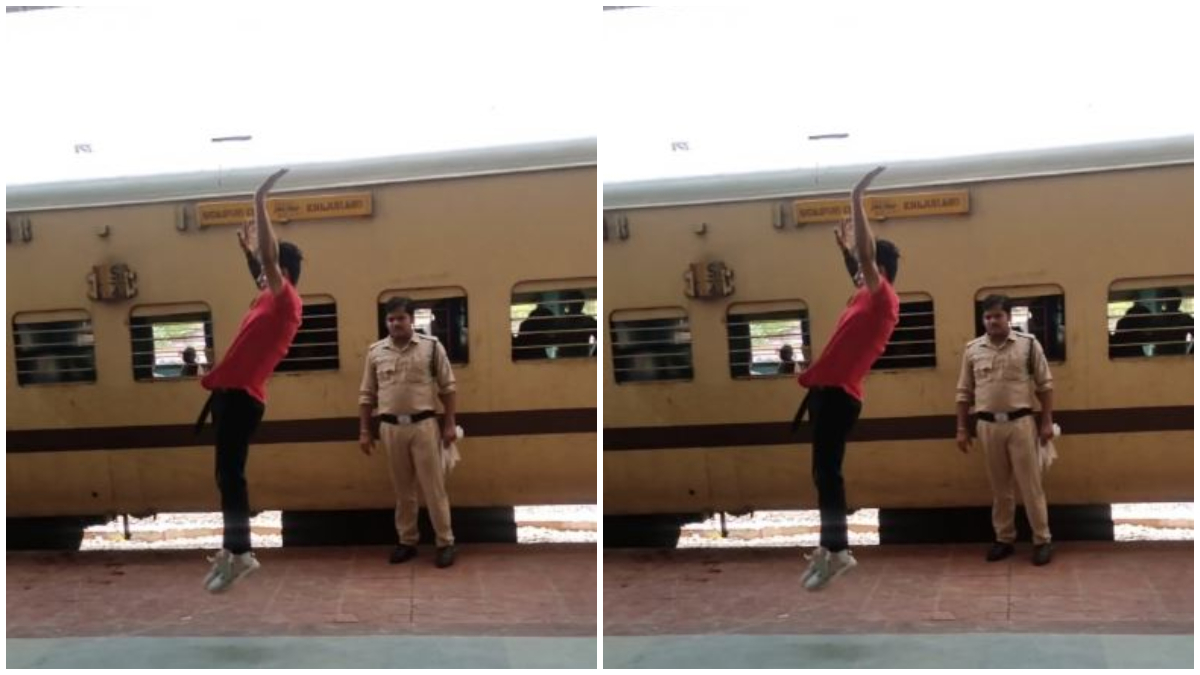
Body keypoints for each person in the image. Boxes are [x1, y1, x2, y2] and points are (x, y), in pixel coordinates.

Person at [198, 169, 304, 593]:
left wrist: (259, 199)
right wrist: (247, 253)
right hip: (229, 395)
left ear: (281, 270)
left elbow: (269, 259)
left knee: (232, 476)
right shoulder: (265, 297)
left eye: (265, 266)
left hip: (243, 398)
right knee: (225, 477)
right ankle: (233, 549)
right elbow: (259, 268)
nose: (259, 272)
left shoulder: (286, 300)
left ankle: (241, 553)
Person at [795, 166, 900, 591]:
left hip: (840, 396)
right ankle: (829, 546)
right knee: (822, 474)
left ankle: (838, 551)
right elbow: (857, 268)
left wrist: (857, 197)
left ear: (879, 268)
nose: (857, 269)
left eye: (862, 264)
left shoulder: (883, 298)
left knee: (829, 474)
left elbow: (867, 259)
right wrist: (844, 251)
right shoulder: (862, 295)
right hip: (826, 393)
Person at [955, 294, 1056, 566]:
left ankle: (1042, 540)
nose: (992, 321)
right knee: (1000, 489)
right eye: (987, 317)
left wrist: (1046, 421)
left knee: (1030, 486)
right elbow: (964, 392)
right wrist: (962, 428)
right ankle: (1004, 539)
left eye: (998, 316)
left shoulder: (1028, 345)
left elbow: (1045, 386)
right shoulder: (972, 350)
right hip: (987, 426)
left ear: (1008, 317)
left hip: (1021, 424)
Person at [359, 297, 459, 568]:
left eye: (401, 318)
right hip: (390, 428)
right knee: (403, 491)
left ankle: (445, 542)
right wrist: (365, 431)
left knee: (433, 488)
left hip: (424, 426)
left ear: (411, 320)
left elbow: (448, 388)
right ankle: (407, 541)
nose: (395, 323)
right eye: (390, 319)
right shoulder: (376, 352)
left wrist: (449, 424)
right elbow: (367, 395)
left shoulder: (431, 348)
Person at [1151, 289, 1193, 356]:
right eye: (1171, 301)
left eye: (1174, 301)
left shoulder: (1185, 318)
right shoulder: (1157, 319)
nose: (1172, 303)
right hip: (1163, 356)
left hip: (1175, 356)